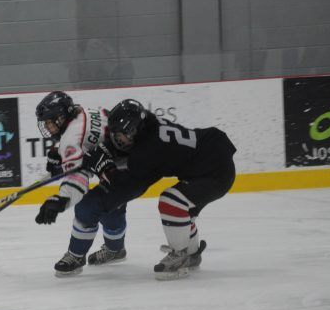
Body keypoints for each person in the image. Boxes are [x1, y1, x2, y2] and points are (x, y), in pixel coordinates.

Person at [85, 99, 237, 280]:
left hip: (215, 171)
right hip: (210, 157)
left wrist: (104, 167)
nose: (117, 139)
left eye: (120, 134)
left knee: (171, 201)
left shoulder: (149, 150)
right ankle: (192, 253)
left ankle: (180, 255)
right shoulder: (149, 125)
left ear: (133, 130)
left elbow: (126, 183)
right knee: (183, 208)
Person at [34, 91, 157, 277]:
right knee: (112, 206)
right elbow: (88, 143)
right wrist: (61, 155)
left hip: (126, 170)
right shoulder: (85, 112)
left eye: (49, 122)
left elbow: (78, 179)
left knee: (87, 207)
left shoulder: (70, 139)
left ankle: (76, 256)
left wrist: (61, 199)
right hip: (131, 162)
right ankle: (115, 249)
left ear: (61, 117)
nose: (47, 127)